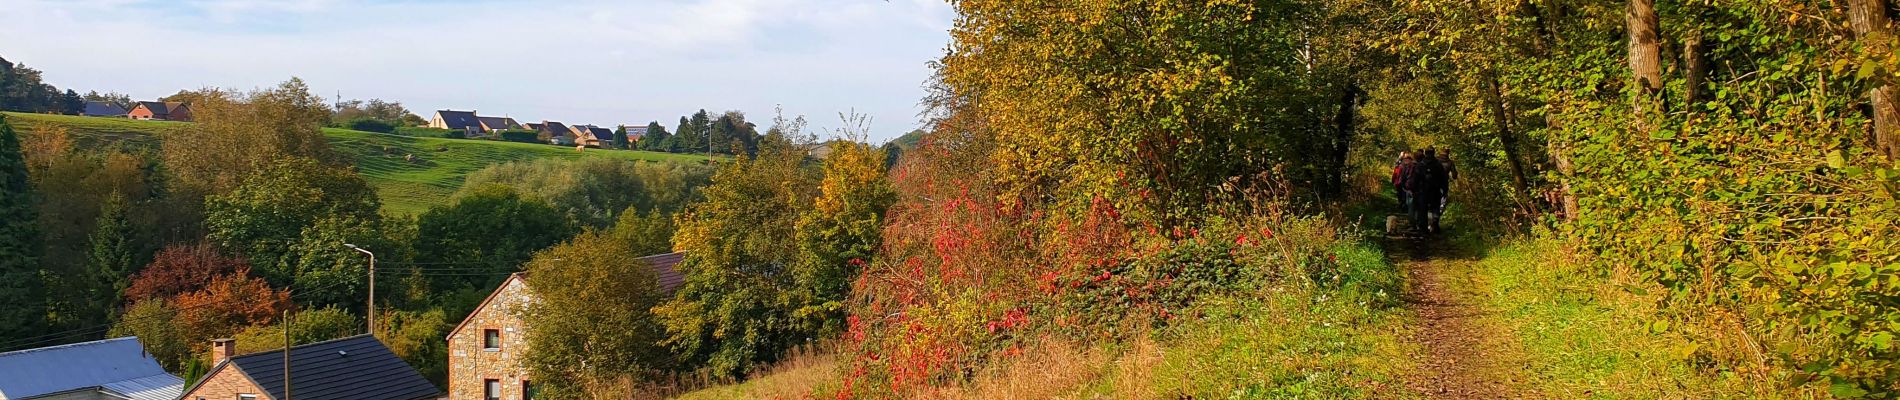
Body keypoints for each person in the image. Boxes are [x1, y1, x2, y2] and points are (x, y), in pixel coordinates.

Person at [1409, 148, 1445, 235]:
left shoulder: (1421, 165)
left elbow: (1415, 178)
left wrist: (1413, 190)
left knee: (1423, 209)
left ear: (1425, 153)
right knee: (1435, 208)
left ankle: (1424, 228)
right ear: (1434, 153)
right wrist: (1444, 189)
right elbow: (1443, 178)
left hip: (1423, 191)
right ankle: (1435, 223)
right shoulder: (1438, 165)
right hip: (1435, 190)